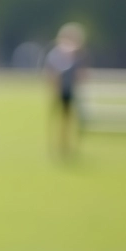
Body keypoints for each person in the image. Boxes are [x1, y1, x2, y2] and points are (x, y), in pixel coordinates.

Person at [45, 22, 85, 158]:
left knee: (67, 120)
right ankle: (58, 145)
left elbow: (80, 74)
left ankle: (65, 145)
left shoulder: (73, 54)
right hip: (60, 90)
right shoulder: (58, 53)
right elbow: (52, 73)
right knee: (59, 119)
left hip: (68, 90)